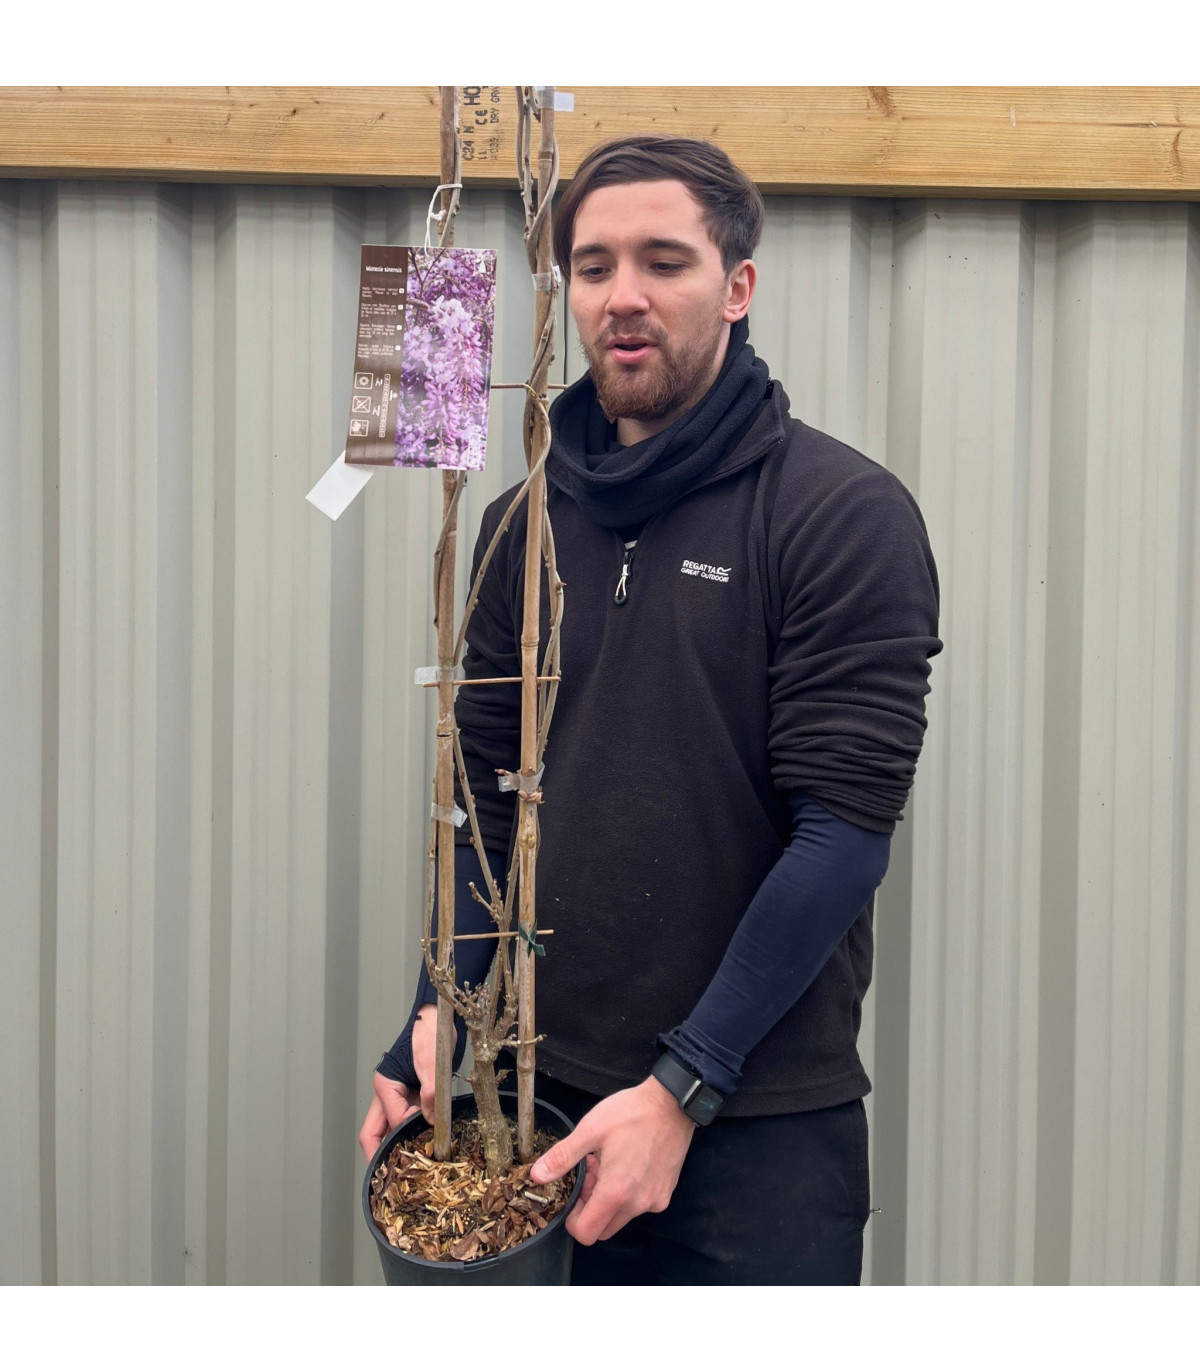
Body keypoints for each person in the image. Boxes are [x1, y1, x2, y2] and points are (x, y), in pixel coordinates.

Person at [359, 135, 941, 1284]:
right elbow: (483, 803)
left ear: (737, 286)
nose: (623, 295)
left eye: (664, 262)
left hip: (753, 1128)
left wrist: (683, 1085)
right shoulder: (519, 525)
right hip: (533, 1105)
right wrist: (441, 1012)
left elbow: (842, 836)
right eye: (594, 265)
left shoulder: (839, 514)